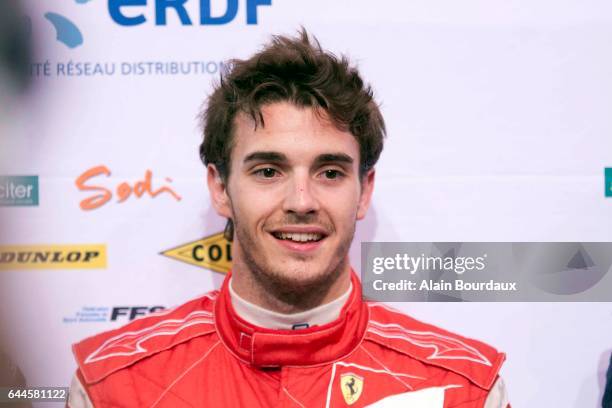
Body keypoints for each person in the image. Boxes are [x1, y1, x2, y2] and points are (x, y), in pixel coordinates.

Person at [69, 30, 510, 407]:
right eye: (268, 171)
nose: (302, 200)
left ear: (365, 190)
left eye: (330, 172)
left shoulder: (462, 388)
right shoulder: (114, 386)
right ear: (220, 188)